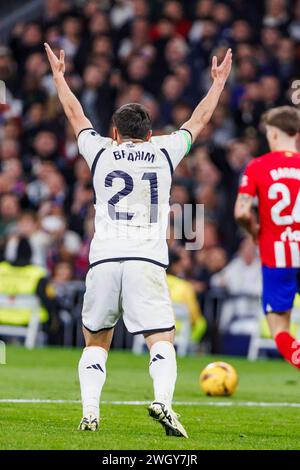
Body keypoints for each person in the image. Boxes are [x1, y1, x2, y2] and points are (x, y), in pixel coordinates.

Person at [44, 41, 232, 436]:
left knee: (96, 341)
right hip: (146, 261)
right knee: (161, 336)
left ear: (115, 133)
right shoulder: (164, 151)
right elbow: (198, 121)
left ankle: (91, 413)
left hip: (104, 260)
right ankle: (163, 402)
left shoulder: (99, 151)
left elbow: (74, 113)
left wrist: (59, 76)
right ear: (150, 135)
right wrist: (217, 85)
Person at [235, 106, 300, 369]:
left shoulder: (258, 166)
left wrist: (254, 231)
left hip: (277, 256)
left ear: (273, 134)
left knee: (279, 328)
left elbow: (241, 212)